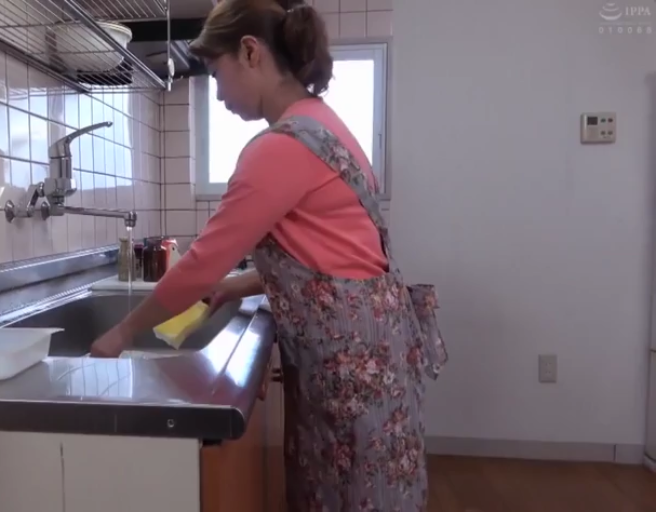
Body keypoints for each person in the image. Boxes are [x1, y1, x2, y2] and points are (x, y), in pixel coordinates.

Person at [90, 0, 449, 508]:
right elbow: (331, 257)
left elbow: (202, 263)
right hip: (375, 348)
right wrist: (237, 286)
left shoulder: (279, 148)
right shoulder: (328, 126)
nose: (217, 93)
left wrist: (123, 333)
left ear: (250, 52)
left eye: (216, 73)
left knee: (348, 495)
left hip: (349, 364)